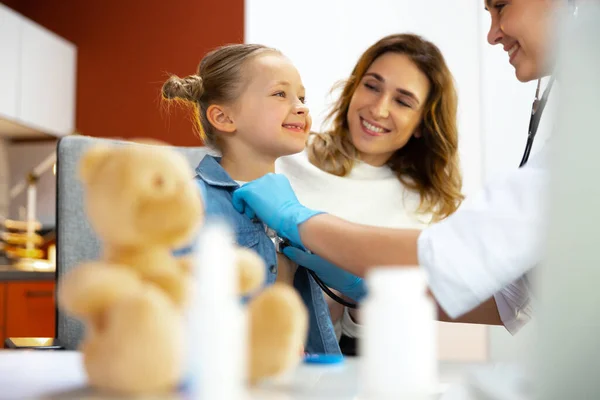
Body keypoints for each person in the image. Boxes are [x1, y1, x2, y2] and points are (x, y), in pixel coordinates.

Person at [232, 0, 562, 327]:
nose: (491, 35)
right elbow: (515, 296)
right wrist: (363, 288)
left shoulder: (423, 207)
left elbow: (463, 262)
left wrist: (306, 228)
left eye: (501, 6)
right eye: (371, 86)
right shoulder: (278, 154)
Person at [274, 33, 525, 348]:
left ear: (422, 122)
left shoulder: (424, 210)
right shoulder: (286, 155)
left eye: (403, 101)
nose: (379, 110)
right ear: (354, 88)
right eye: (372, 86)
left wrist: (356, 307)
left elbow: (387, 343)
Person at [162, 44, 341, 355]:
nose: (301, 107)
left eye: (302, 97)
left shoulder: (294, 210)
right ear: (223, 117)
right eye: (280, 94)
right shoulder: (189, 207)